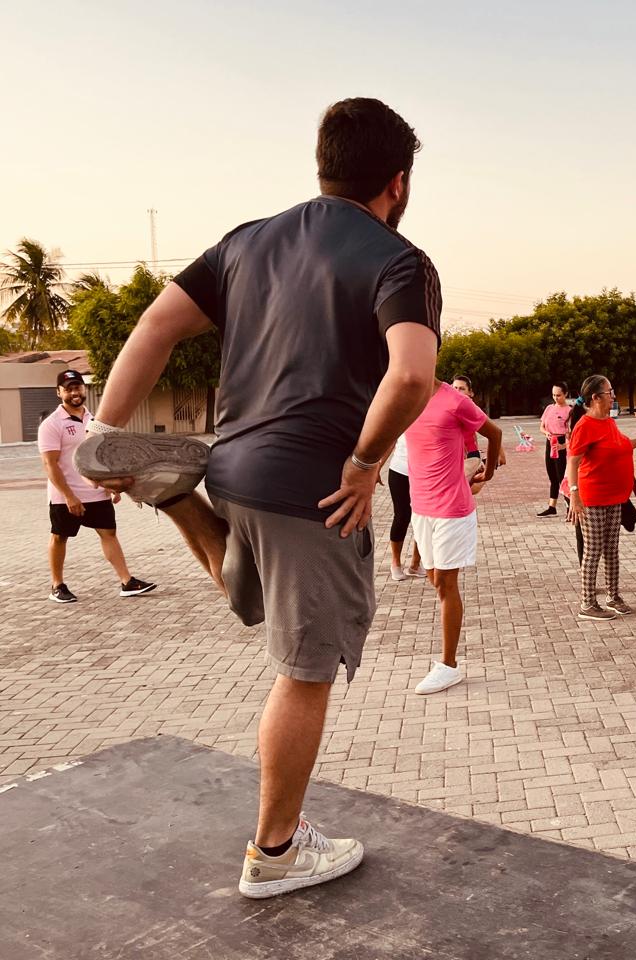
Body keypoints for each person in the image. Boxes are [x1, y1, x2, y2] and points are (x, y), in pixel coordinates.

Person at [74, 98, 440, 897]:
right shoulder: (397, 259)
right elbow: (413, 373)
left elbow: (155, 325)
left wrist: (105, 426)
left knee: (255, 600)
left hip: (232, 469)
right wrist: (366, 461)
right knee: (305, 667)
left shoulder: (246, 241)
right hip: (313, 489)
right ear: (398, 182)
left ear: (324, 164)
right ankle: (275, 853)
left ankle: (174, 498)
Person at [405, 379, 503, 695]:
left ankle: (448, 666)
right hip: (420, 506)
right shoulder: (405, 397)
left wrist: (486, 473)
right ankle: (448, 663)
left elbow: (494, 432)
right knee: (435, 580)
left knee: (446, 583)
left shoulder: (454, 400)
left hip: (451, 507)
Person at [39, 369, 156, 603]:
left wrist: (110, 486)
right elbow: (50, 465)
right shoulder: (51, 425)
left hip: (95, 493)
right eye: (68, 388)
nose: (74, 392)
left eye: (78, 387)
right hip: (66, 496)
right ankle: (57, 586)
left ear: (84, 389)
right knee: (60, 537)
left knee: (109, 534)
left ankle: (127, 581)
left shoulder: (94, 421)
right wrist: (69, 497)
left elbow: (101, 457)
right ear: (59, 392)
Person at [567, 375, 636, 620]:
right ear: (595, 398)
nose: (613, 396)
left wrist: (633, 479)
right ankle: (587, 602)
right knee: (593, 550)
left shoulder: (608, 422)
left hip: (614, 496)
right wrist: (575, 496)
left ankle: (613, 596)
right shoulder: (584, 426)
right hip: (592, 498)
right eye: (609, 392)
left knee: (611, 550)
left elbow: (622, 447)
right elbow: (572, 462)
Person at [384, 434, 424, 580]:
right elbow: (390, 440)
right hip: (400, 470)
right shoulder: (402, 413)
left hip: (424, 472)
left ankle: (415, 564)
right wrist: (377, 467)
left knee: (422, 518)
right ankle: (395, 563)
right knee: (402, 516)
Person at [537, 382, 573, 517]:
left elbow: (572, 434)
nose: (556, 398)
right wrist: (546, 433)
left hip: (562, 443)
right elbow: (542, 426)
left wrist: (563, 446)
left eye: (558, 395)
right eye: (553, 395)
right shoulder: (549, 408)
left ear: (566, 394)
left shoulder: (570, 410)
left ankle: (570, 506)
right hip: (550, 442)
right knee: (552, 475)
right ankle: (552, 506)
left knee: (562, 477)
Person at [451, 374, 487, 489]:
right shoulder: (448, 407)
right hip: (454, 456)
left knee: (463, 490)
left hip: (469, 456)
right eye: (455, 388)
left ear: (470, 393)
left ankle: (484, 467)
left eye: (461, 389)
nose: (457, 391)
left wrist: (496, 455)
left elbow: (493, 432)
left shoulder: (470, 408)